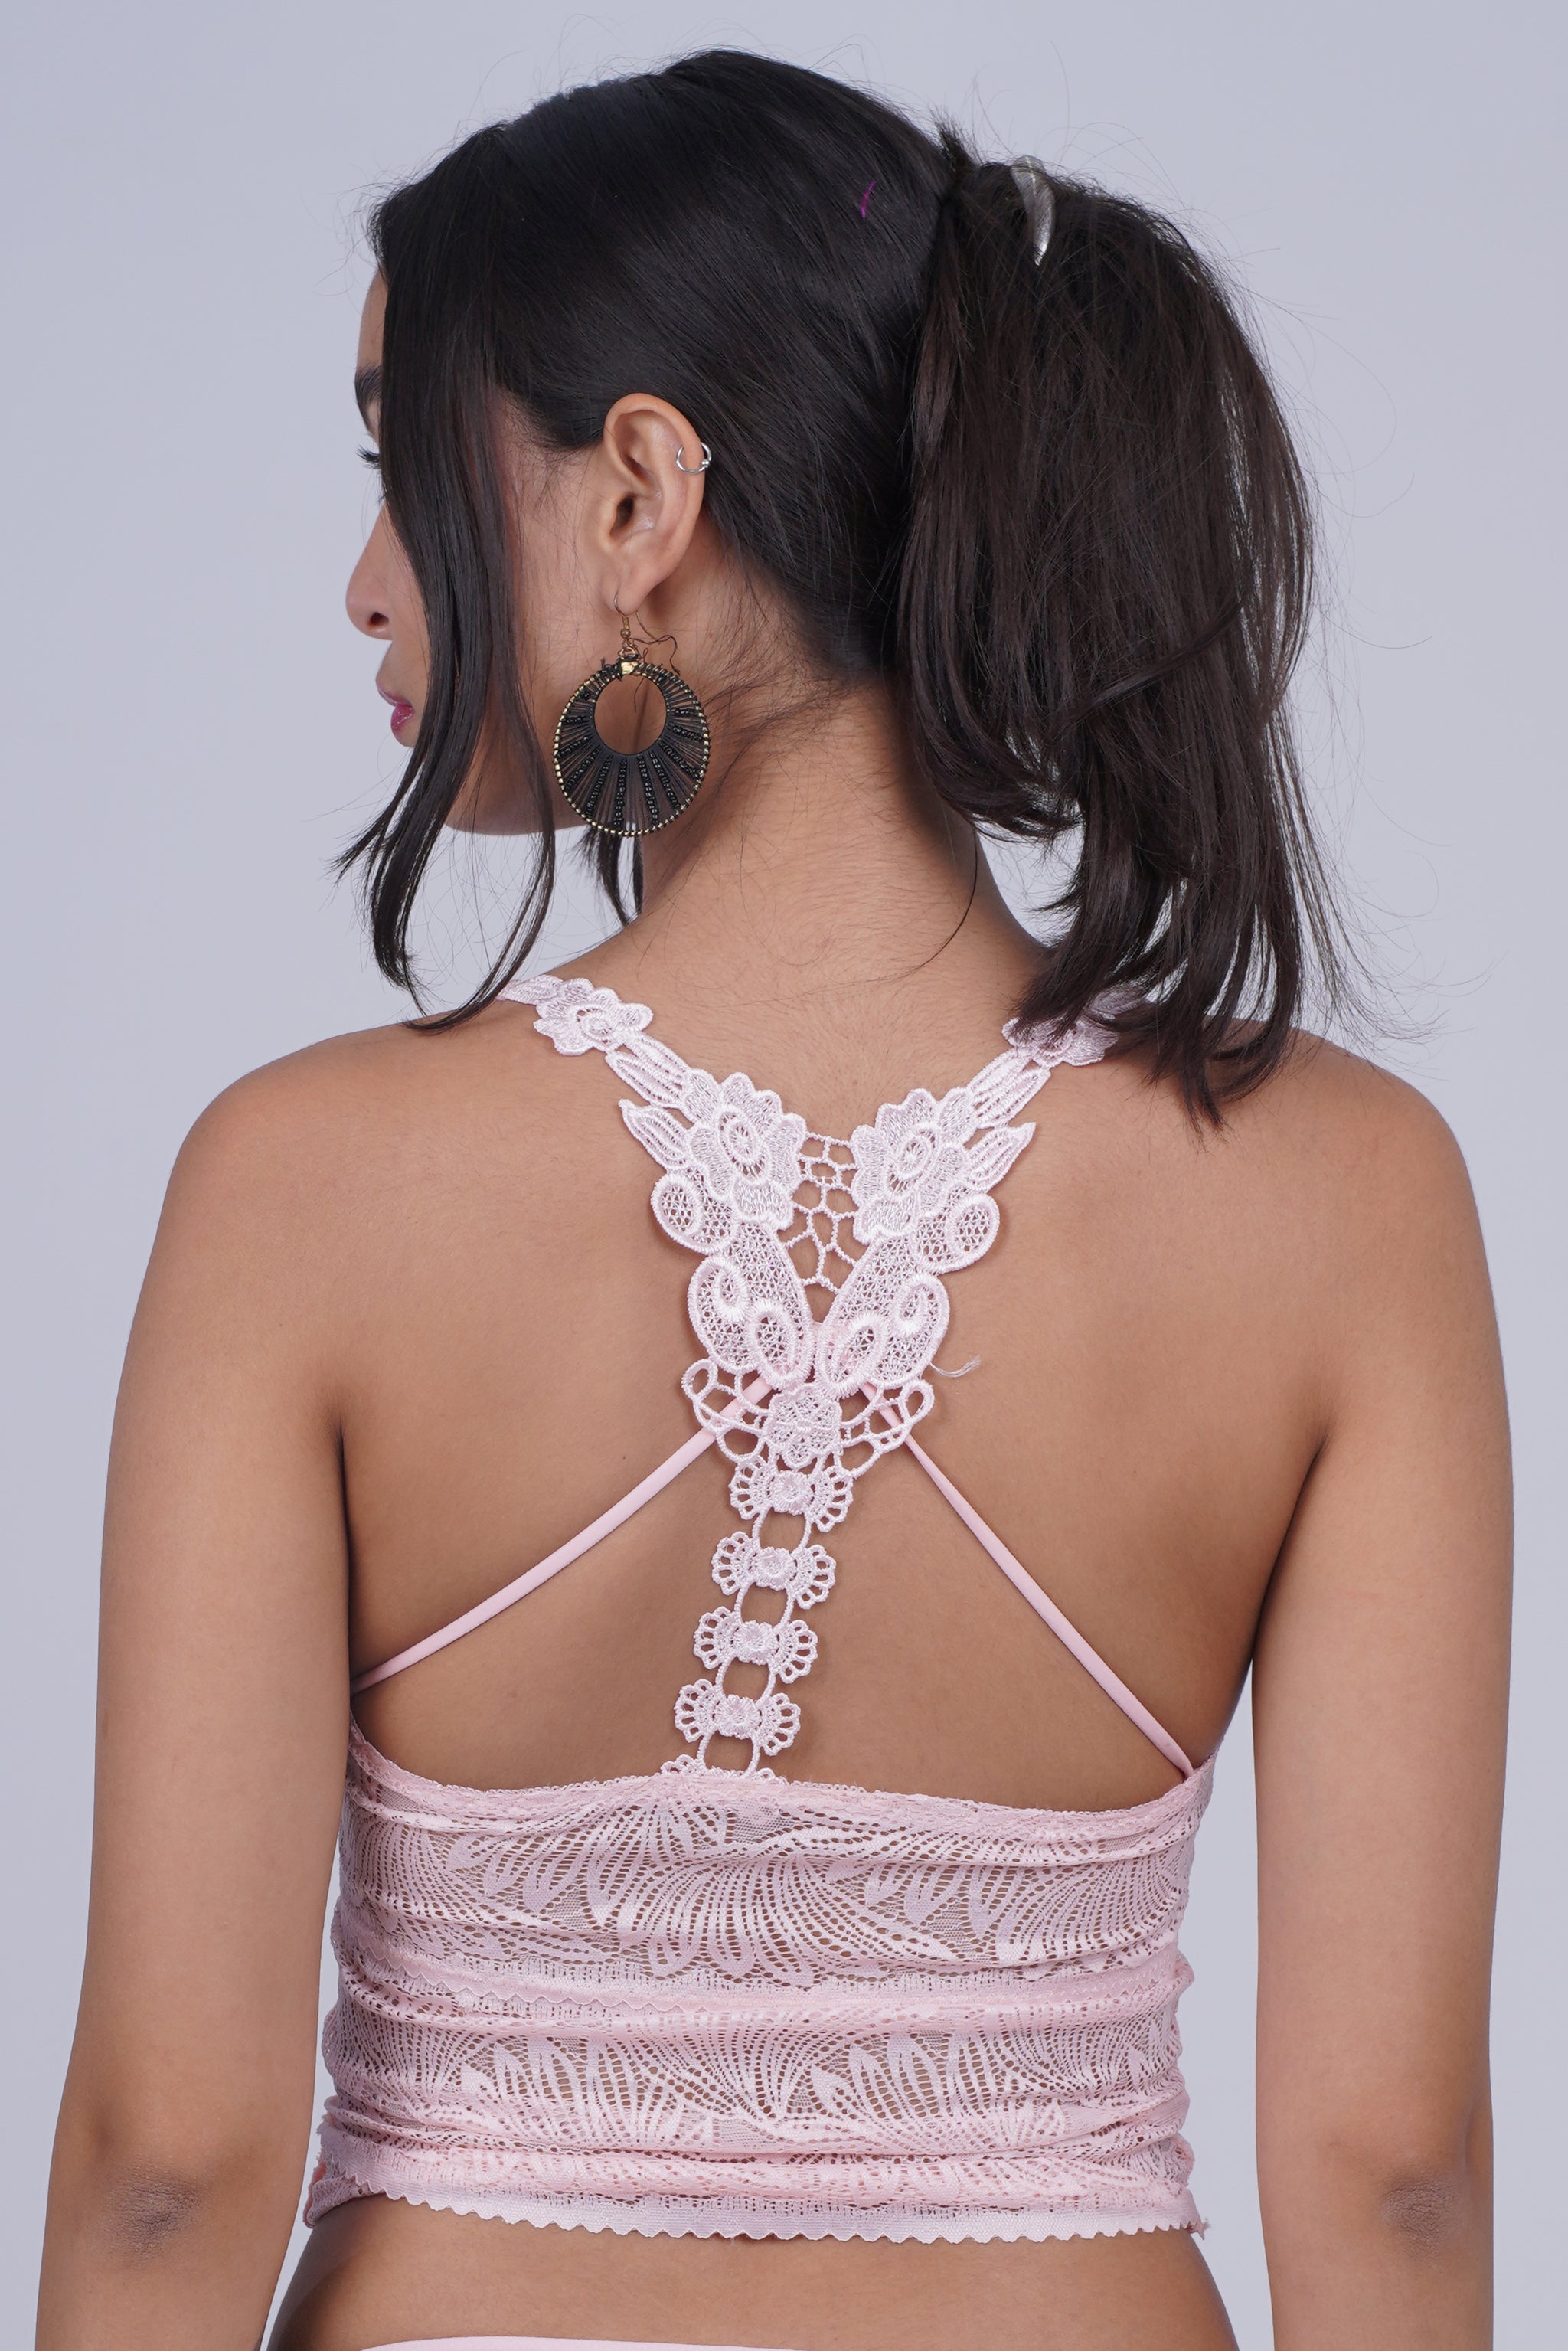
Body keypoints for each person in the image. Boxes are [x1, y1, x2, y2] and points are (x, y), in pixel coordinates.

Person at [36, 48, 1509, 2351]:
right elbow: (1393, 2173)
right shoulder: (1345, 1200)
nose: (363, 585)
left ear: (642, 495)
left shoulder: (303, 1189)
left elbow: (168, 2160)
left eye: (399, 470)